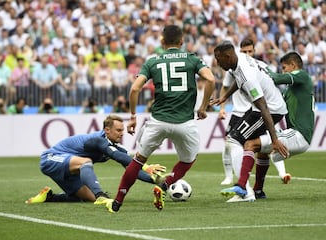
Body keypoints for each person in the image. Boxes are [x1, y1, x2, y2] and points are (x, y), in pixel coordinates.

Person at [104, 25, 215, 213]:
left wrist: (132, 117)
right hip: (184, 123)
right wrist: (203, 107)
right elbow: (211, 79)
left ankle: (117, 202)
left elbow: (134, 89)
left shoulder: (152, 61)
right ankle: (165, 185)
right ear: (181, 42)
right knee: (189, 159)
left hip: (158, 121)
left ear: (162, 42)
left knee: (137, 161)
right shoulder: (192, 59)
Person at [25, 115, 167, 204]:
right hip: (52, 158)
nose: (122, 134)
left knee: (86, 198)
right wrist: (146, 166)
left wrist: (157, 180)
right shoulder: (97, 140)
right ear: (107, 130)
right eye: (118, 130)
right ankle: (100, 196)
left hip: (72, 168)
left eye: (122, 130)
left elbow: (132, 169)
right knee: (85, 161)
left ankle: (49, 197)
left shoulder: (115, 147)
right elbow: (118, 156)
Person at [211, 40, 289, 202]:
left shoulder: (247, 76)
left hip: (270, 109)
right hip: (262, 108)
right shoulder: (238, 60)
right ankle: (248, 189)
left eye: (219, 59)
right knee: (246, 143)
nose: (217, 63)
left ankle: (244, 191)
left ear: (228, 56)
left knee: (234, 140)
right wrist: (225, 96)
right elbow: (237, 80)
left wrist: (274, 140)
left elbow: (264, 107)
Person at [235, 52, 315, 199]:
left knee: (250, 144)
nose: (283, 71)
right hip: (295, 133)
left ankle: (241, 186)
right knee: (262, 149)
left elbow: (277, 78)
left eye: (285, 67)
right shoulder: (292, 89)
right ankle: (258, 190)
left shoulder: (302, 75)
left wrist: (262, 68)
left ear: (293, 65)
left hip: (299, 134)